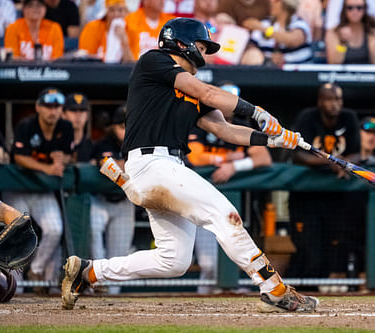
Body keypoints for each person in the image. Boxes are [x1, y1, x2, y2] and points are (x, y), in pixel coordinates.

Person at [61, 17, 318, 313]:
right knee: (225, 214)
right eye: (201, 45)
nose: (205, 52)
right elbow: (208, 93)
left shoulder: (194, 89)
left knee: (173, 261)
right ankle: (273, 288)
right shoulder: (154, 61)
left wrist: (273, 140)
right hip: (151, 164)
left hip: (166, 168)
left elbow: (226, 131)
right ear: (181, 43)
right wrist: (256, 111)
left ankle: (89, 272)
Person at [187, 82, 273, 294]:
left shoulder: (241, 129)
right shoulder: (199, 120)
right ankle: (203, 302)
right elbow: (195, 157)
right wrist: (226, 157)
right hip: (200, 199)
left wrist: (235, 165)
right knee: (207, 263)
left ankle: (225, 295)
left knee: (234, 254)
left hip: (231, 202)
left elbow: (264, 158)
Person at [288, 83, 360, 284]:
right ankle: (298, 288)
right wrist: (331, 162)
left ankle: (321, 290)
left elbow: (356, 153)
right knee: (309, 249)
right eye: (329, 99)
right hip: (306, 198)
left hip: (337, 199)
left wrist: (344, 164)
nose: (334, 104)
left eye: (338, 99)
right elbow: (298, 154)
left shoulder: (349, 118)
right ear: (320, 101)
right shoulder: (307, 118)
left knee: (333, 248)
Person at [4, 87, 73, 295]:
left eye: (56, 107)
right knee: (18, 232)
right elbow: (19, 157)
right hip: (19, 187)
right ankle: (13, 285)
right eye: (48, 106)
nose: (52, 111)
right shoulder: (27, 125)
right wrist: (48, 168)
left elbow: (68, 156)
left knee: (54, 229)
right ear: (38, 107)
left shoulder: (65, 126)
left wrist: (62, 159)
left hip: (43, 190)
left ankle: (36, 270)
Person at [90, 105, 135, 294]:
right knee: (94, 237)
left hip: (124, 202)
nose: (125, 132)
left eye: (128, 126)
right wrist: (128, 168)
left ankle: (113, 294)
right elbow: (107, 165)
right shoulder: (103, 142)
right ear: (113, 127)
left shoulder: (139, 142)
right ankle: (97, 283)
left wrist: (122, 166)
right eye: (121, 127)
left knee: (120, 251)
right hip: (99, 200)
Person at [242, 0, 313, 66]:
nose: (271, 2)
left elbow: (292, 40)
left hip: (298, 73)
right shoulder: (266, 24)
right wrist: (266, 59)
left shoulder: (299, 23)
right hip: (268, 73)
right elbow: (251, 47)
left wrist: (261, 28)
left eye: (276, 0)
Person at [325, 0, 375, 64]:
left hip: (367, 73)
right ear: (344, 9)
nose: (354, 11)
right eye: (350, 8)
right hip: (343, 74)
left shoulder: (371, 30)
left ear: (365, 9)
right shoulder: (334, 32)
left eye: (359, 7)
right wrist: (342, 43)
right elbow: (334, 62)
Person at [62, 92, 94, 163]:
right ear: (63, 114)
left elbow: (110, 169)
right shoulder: (55, 144)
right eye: (73, 110)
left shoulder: (93, 148)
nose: (78, 115)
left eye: (82, 110)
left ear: (87, 115)